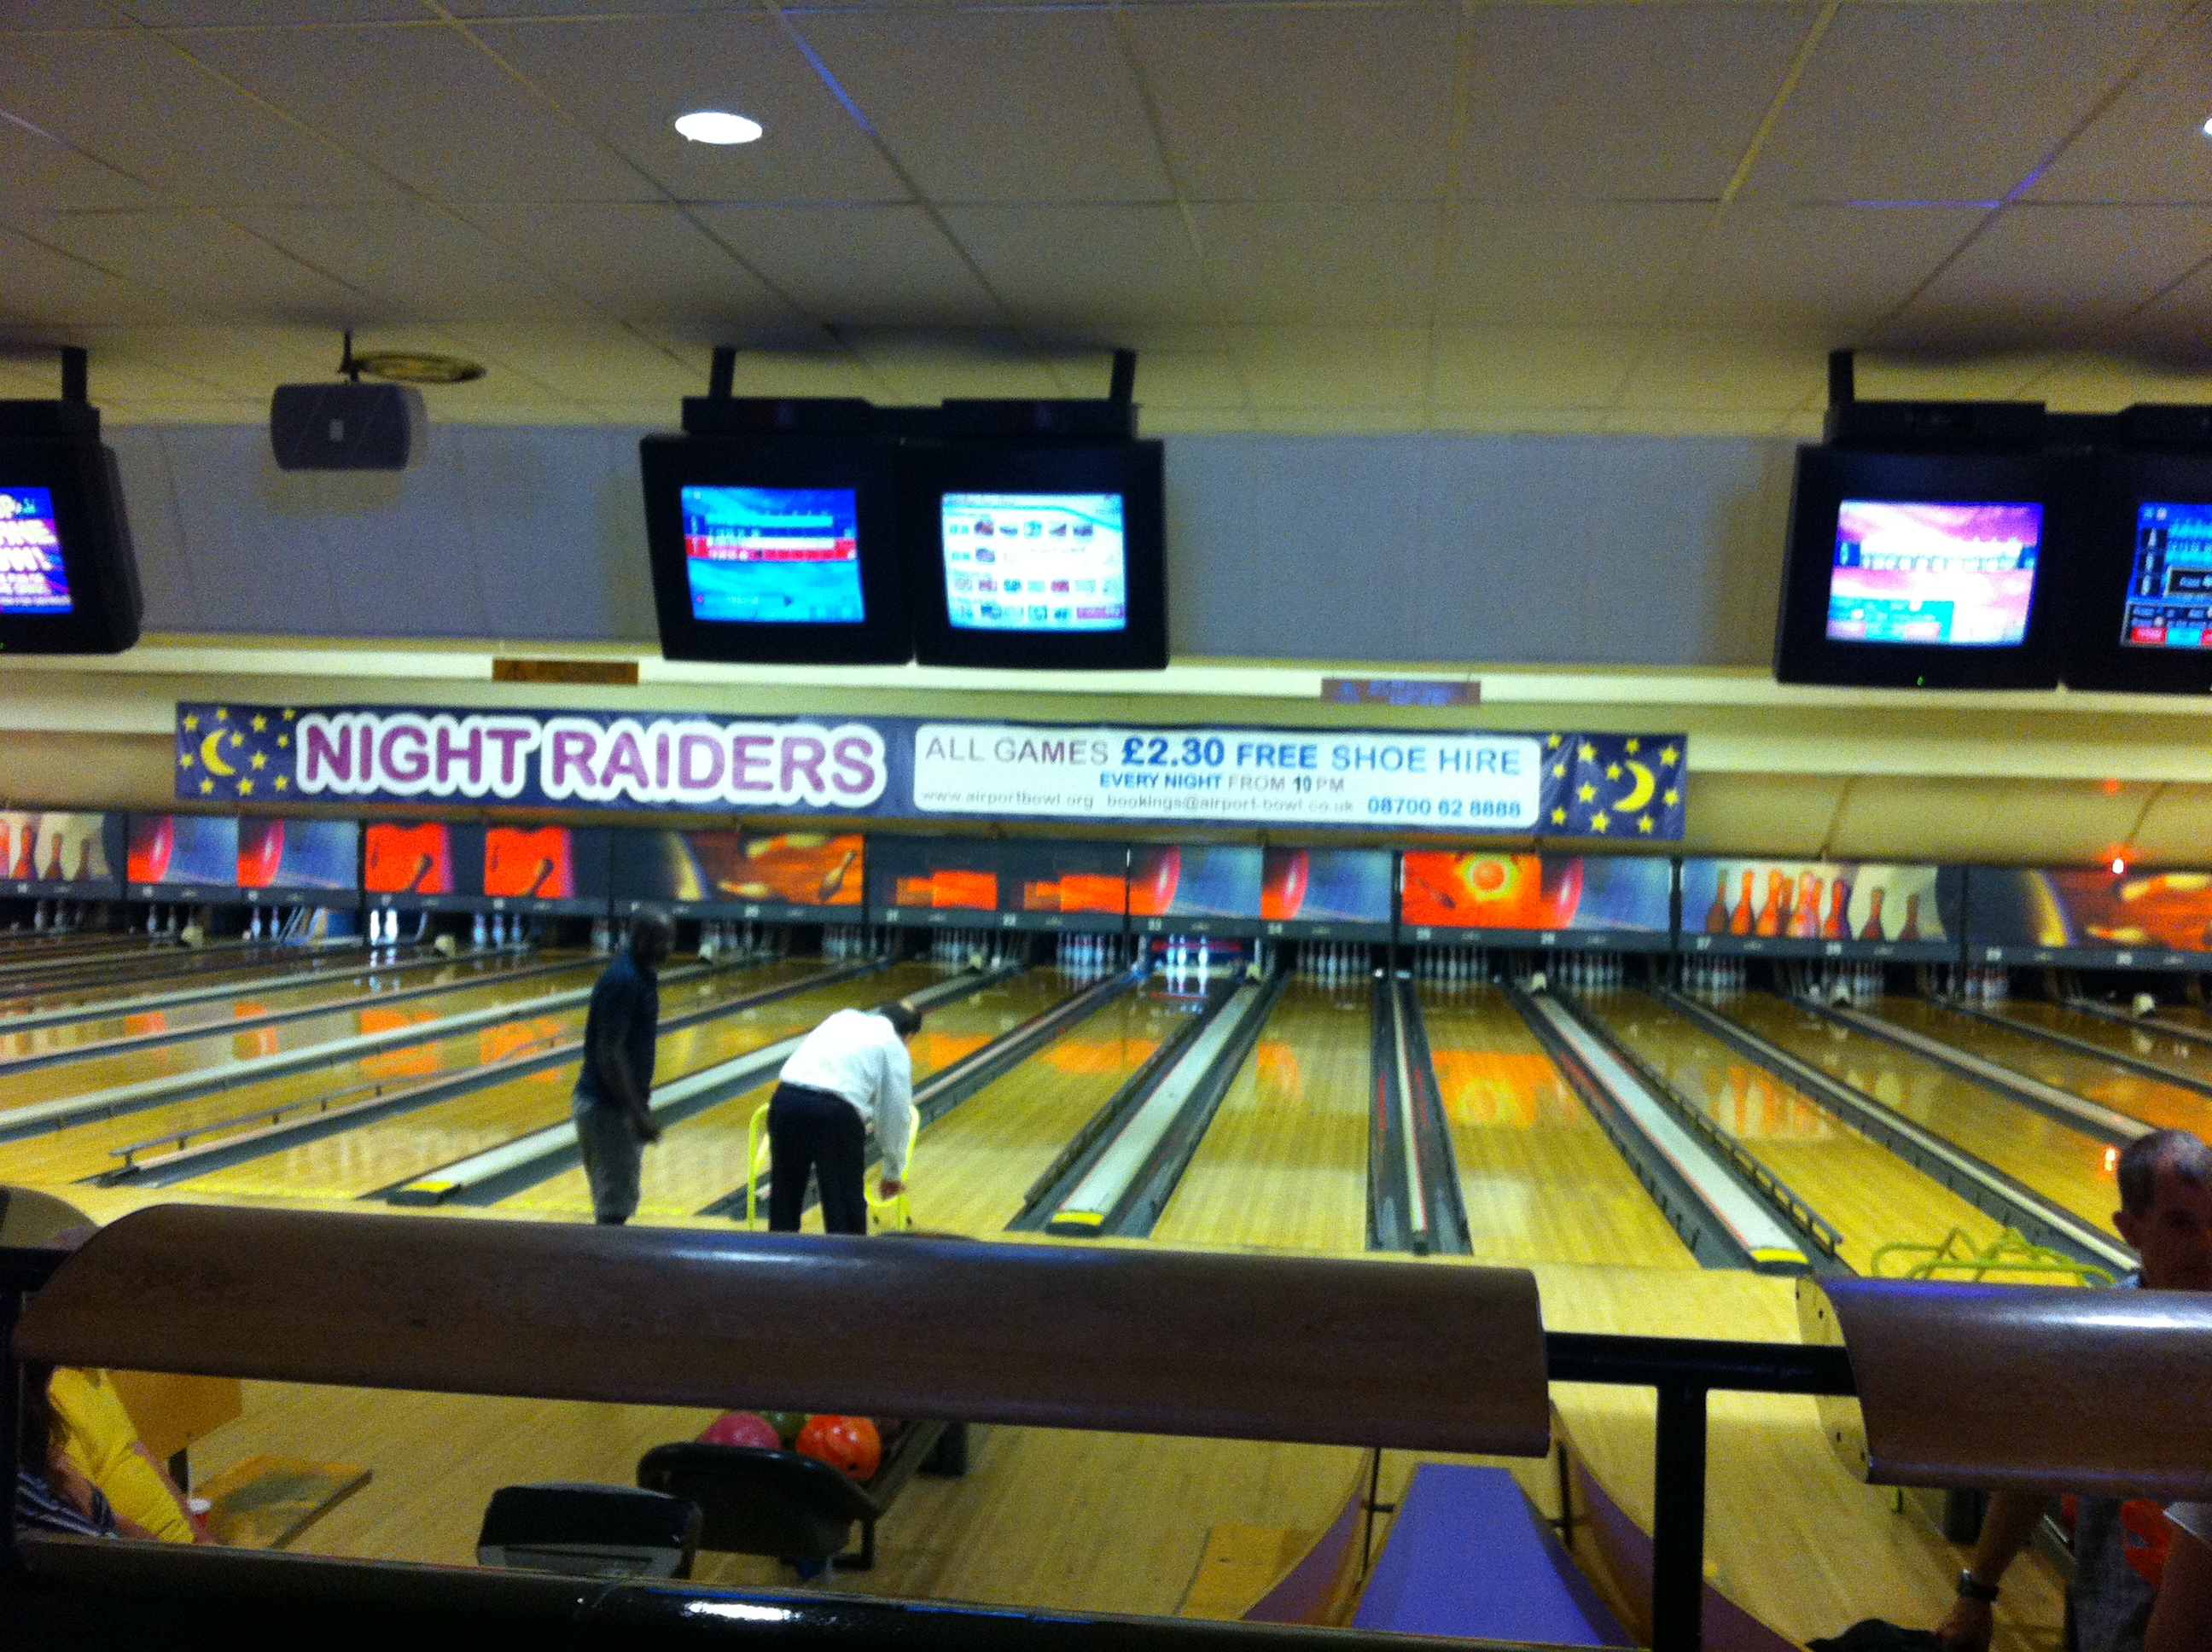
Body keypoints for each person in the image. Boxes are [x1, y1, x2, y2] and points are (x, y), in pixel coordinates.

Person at [1934, 1128, 2212, 1652]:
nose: (2205, 1243)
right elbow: (2035, 1474)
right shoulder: (2097, 1341)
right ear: (2130, 1229)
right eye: (2180, 1223)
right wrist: (1977, 1592)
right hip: (2116, 1623)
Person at [765, 999, 922, 1235]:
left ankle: (776, 1263)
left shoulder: (841, 1017)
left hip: (785, 1102)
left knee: (784, 1197)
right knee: (844, 1206)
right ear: (908, 1036)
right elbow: (895, 1115)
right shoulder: (894, 1045)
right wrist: (892, 1171)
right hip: (835, 1115)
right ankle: (848, 1267)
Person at [572, 914, 672, 1226]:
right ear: (635, 937)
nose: (664, 948)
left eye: (668, 940)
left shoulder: (640, 974)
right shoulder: (624, 982)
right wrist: (636, 1113)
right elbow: (610, 1052)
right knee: (614, 1209)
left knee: (617, 1201)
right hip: (607, 1109)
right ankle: (603, 1272)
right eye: (656, 940)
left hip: (612, 1107)